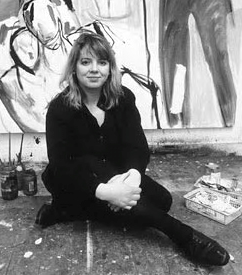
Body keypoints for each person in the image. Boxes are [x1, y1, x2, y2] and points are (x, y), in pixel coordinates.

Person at [35, 32, 230, 266]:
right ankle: (184, 236)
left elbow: (136, 146)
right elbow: (61, 164)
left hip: (114, 172)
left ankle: (70, 211)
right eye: (86, 62)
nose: (94, 69)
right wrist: (105, 193)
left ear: (110, 68)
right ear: (74, 68)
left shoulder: (123, 98)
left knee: (162, 200)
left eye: (102, 62)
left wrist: (133, 176)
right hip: (74, 180)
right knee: (107, 177)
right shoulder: (61, 108)